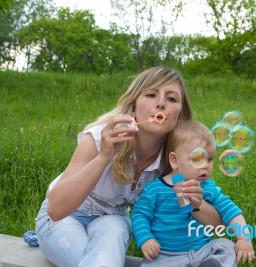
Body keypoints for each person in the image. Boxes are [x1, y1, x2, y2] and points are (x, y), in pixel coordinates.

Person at [35, 67, 223, 267]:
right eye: (151, 95)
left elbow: (217, 225)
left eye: (171, 99)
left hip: (113, 221)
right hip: (63, 219)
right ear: (133, 106)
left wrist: (196, 202)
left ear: (180, 115)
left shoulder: (175, 160)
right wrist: (103, 157)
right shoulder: (101, 137)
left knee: (115, 228)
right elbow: (56, 210)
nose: (160, 103)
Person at [131, 120, 255, 267]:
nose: (205, 166)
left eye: (209, 159)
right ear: (174, 160)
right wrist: (145, 239)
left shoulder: (208, 188)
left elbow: (231, 210)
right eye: (197, 159)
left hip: (202, 253)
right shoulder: (154, 189)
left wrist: (243, 238)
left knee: (225, 246)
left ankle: (212, 265)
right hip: (165, 256)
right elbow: (140, 215)